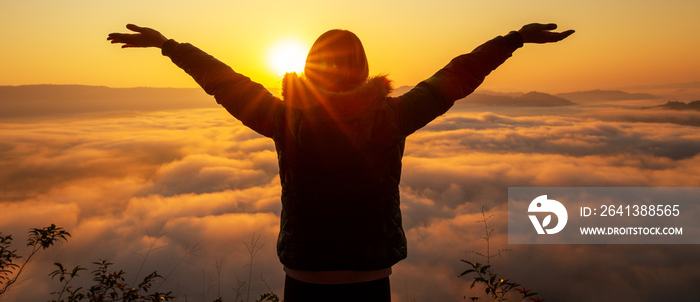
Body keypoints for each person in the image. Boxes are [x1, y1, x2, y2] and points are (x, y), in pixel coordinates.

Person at [107, 22, 574, 302]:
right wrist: (512, 40)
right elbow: (456, 75)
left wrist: (168, 45)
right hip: (370, 272)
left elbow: (225, 81)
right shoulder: (392, 117)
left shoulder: (284, 119)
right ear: (364, 69)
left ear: (311, 67)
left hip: (305, 270)